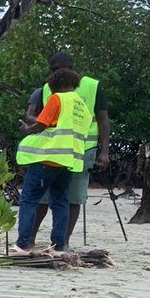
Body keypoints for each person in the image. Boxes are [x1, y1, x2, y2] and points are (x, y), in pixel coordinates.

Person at [24, 53, 111, 249]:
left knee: (73, 197)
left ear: (72, 68)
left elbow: (103, 120)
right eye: (52, 70)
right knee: (43, 196)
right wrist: (34, 125)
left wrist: (104, 151)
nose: (55, 74)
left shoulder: (92, 86)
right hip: (52, 150)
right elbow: (38, 118)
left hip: (83, 149)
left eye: (59, 69)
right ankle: (29, 239)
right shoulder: (46, 89)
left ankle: (62, 242)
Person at [14, 67, 92, 251]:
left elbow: (42, 123)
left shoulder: (57, 98)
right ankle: (59, 244)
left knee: (29, 200)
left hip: (47, 159)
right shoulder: (82, 105)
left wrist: (27, 129)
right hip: (68, 162)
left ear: (55, 84)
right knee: (60, 201)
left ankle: (22, 243)